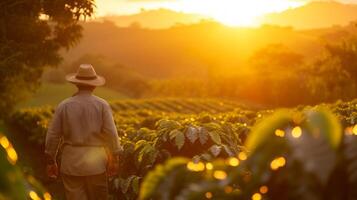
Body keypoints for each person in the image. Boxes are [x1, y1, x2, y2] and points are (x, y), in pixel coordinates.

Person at [45, 64, 122, 200]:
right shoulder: (102, 105)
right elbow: (111, 133)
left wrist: (51, 160)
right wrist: (114, 158)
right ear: (94, 85)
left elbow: (53, 135)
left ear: (77, 84)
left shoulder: (64, 105)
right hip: (96, 163)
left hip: (71, 163)